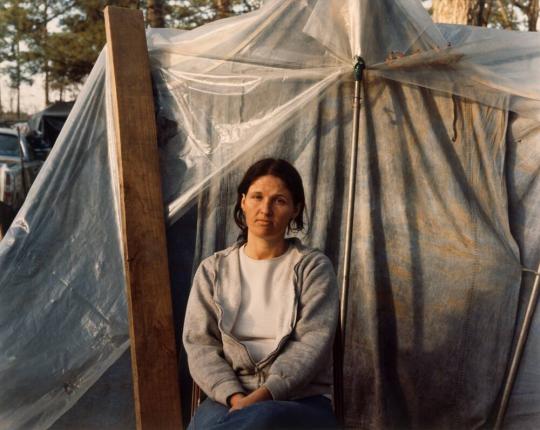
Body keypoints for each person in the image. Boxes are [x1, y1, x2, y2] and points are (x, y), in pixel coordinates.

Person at [183, 158, 339, 429]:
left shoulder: (313, 267)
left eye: (279, 200)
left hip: (300, 400)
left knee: (261, 420)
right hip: (227, 397)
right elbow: (200, 345)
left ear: (295, 209)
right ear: (243, 202)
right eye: (257, 197)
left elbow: (311, 345)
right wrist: (234, 397)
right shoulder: (213, 270)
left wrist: (259, 399)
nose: (265, 209)